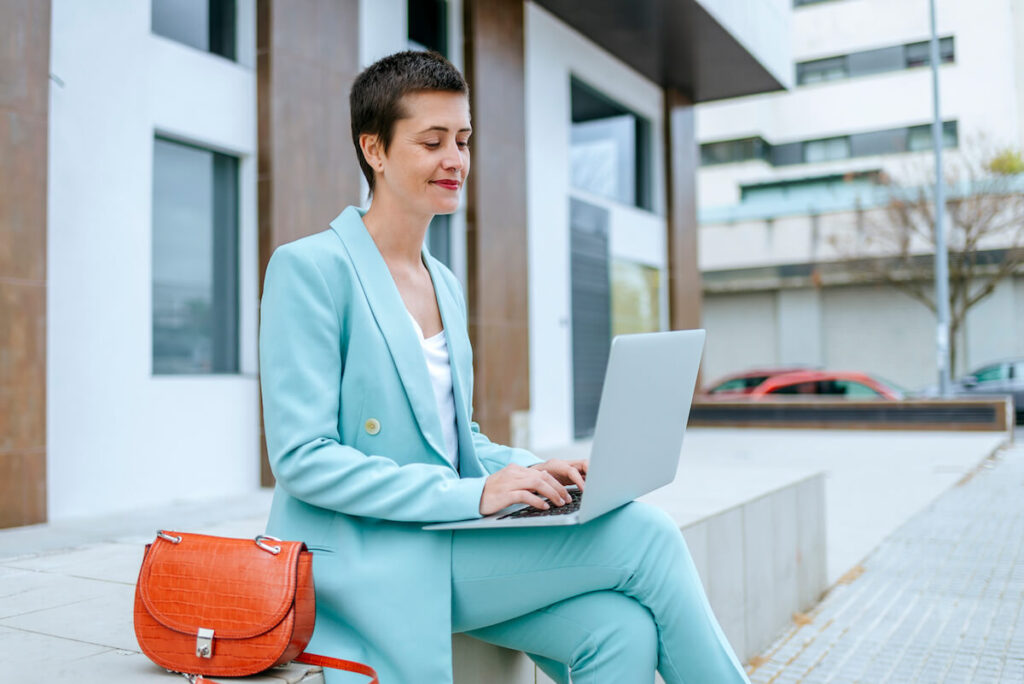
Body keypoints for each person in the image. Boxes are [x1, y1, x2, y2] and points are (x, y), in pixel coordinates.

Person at [259, 50, 750, 684]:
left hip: (444, 534)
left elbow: (453, 440)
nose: (455, 160)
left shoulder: (444, 283)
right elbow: (302, 458)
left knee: (619, 630)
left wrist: (525, 470)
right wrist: (473, 494)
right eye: (432, 141)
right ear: (374, 150)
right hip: (365, 553)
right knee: (647, 538)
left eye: (462, 140)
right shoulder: (310, 268)